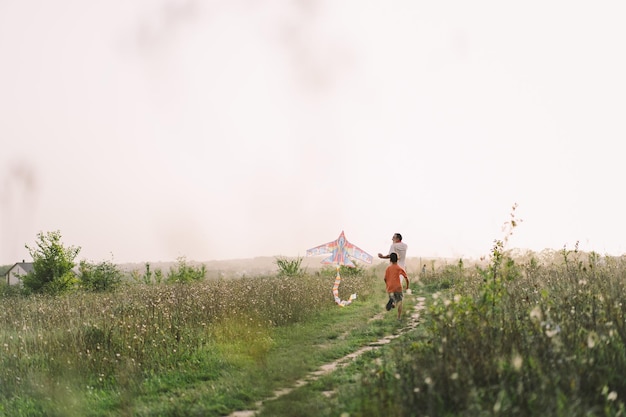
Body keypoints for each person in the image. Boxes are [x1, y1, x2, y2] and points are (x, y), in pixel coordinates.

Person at [384, 252, 409, 320]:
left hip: (390, 288)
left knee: (393, 299)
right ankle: (398, 317)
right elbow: (406, 278)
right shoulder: (399, 268)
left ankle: (393, 302)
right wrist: (407, 286)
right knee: (400, 301)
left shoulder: (388, 268)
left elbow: (385, 279)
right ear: (397, 259)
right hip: (398, 287)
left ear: (390, 260)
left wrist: (387, 285)